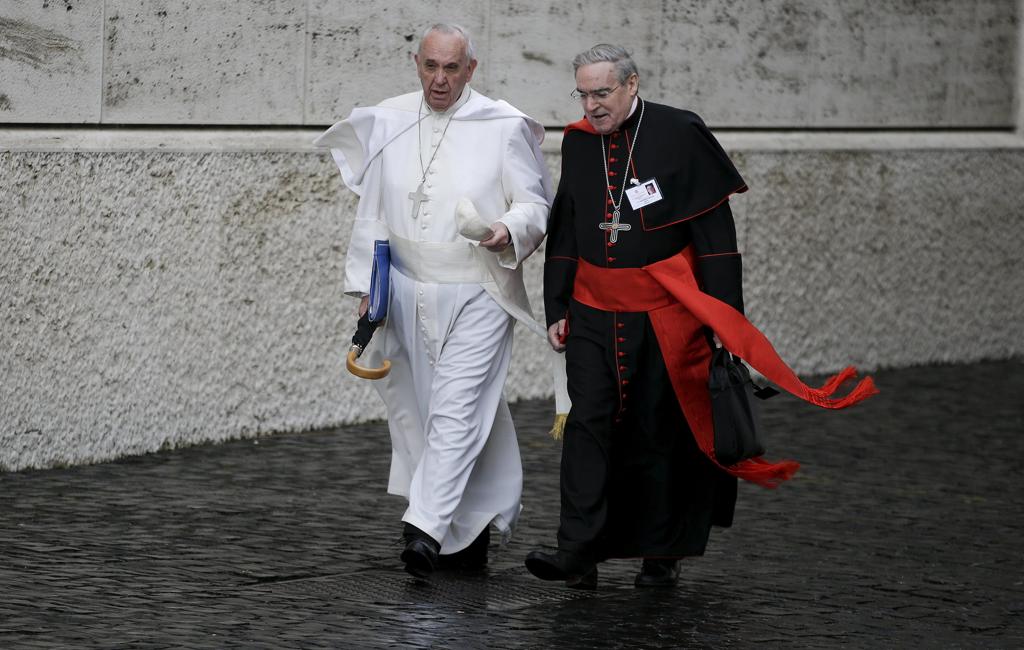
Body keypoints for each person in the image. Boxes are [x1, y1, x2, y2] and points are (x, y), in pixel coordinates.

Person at [525, 44, 876, 589]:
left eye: (602, 93)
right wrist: (556, 305)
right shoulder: (576, 142)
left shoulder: (679, 133)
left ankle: (660, 555)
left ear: (632, 85)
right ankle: (578, 549)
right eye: (583, 93)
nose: (591, 106)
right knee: (587, 427)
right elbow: (566, 228)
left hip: (665, 314)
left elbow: (715, 239)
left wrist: (723, 317)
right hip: (593, 312)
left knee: (659, 430)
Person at [314, 24, 552, 578]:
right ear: (416, 63)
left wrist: (506, 230)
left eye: (451, 69)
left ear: (471, 69)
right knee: (429, 412)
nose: (439, 80)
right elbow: (371, 213)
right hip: (404, 292)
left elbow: (536, 205)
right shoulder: (392, 120)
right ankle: (465, 534)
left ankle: (422, 529)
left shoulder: (503, 125)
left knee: (456, 406)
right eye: (430, 67)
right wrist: (367, 293)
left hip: (479, 290)